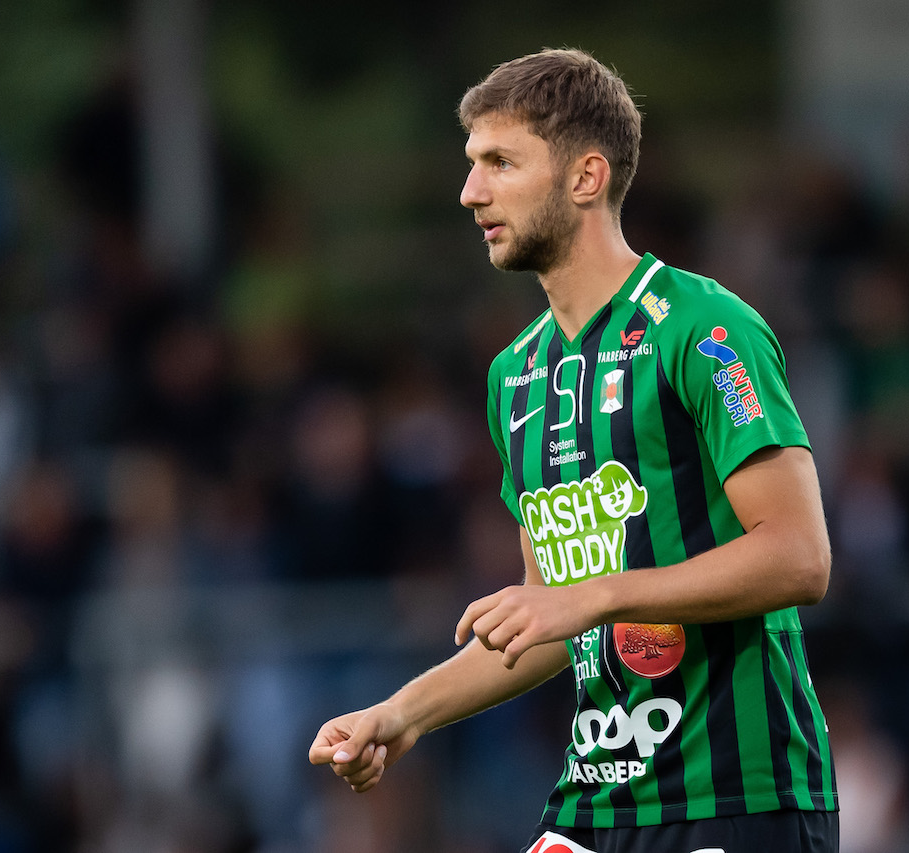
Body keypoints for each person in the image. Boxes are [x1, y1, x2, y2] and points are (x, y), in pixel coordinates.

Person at [308, 48, 839, 853]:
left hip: (737, 795)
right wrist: (399, 713)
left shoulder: (703, 328)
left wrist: (594, 596)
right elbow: (548, 614)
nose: (470, 191)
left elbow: (800, 557)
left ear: (586, 177)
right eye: (470, 164)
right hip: (597, 803)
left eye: (499, 162)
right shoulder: (514, 375)